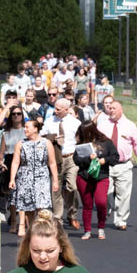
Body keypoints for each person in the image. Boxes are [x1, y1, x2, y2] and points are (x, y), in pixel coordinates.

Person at [97, 100, 137, 230]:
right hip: (105, 164)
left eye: (114, 108)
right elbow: (95, 143)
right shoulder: (102, 125)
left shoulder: (130, 125)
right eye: (110, 108)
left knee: (124, 194)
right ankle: (107, 209)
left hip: (123, 165)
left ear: (121, 110)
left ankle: (121, 220)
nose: (111, 110)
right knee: (105, 193)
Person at [9, 119, 59, 236]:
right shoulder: (21, 144)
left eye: (27, 127)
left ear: (35, 129)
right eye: (24, 127)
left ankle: (43, 229)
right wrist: (12, 178)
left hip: (42, 176)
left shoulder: (46, 143)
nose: (25, 129)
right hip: (25, 176)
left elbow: (52, 162)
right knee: (28, 205)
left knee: (42, 205)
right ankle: (29, 228)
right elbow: (15, 162)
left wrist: (55, 180)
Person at [73, 122, 119, 241]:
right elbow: (77, 160)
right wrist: (89, 158)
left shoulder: (106, 142)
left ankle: (101, 227)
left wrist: (105, 160)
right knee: (87, 205)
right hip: (84, 177)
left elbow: (115, 157)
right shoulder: (81, 145)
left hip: (101, 176)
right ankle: (87, 230)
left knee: (100, 202)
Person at [41, 98, 81, 229]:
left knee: (72, 187)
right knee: (56, 189)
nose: (55, 111)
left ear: (67, 109)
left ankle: (72, 214)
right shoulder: (49, 122)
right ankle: (58, 218)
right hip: (55, 159)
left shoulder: (75, 123)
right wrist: (51, 139)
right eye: (55, 108)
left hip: (71, 158)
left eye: (58, 109)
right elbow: (41, 137)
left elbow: (81, 140)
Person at [0, 105, 26, 232]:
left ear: (22, 115)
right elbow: (2, 151)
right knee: (12, 193)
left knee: (24, 193)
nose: (16, 116)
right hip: (9, 161)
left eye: (18, 113)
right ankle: (14, 220)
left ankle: (24, 221)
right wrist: (1, 162)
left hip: (25, 161)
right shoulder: (6, 132)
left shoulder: (27, 130)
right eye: (13, 114)